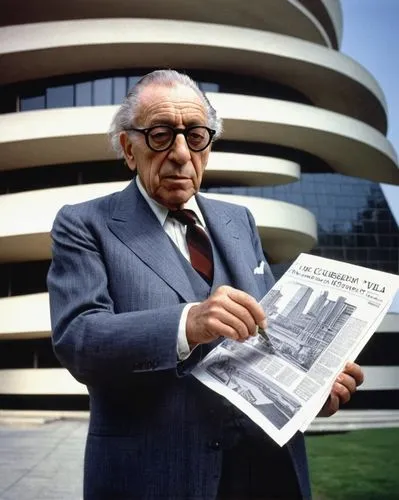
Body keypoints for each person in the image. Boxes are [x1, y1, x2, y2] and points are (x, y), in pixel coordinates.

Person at [47, 69, 364, 500]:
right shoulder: (84, 224)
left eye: (196, 135)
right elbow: (78, 338)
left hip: (268, 472)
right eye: (161, 134)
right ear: (128, 147)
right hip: (156, 477)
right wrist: (189, 322)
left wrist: (310, 389)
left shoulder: (239, 222)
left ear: (208, 144)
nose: (181, 153)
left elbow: (273, 334)